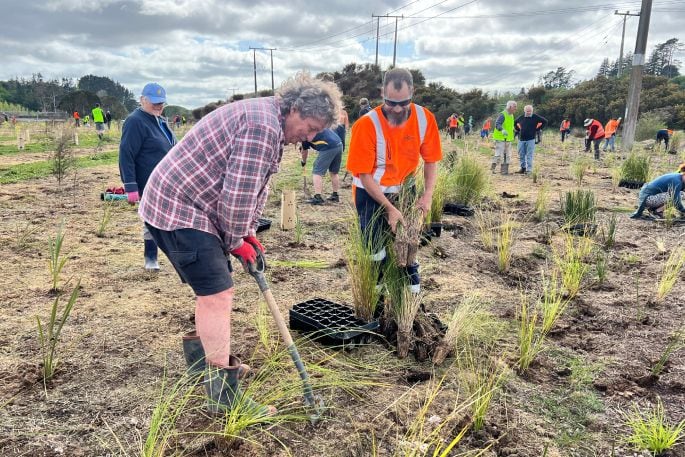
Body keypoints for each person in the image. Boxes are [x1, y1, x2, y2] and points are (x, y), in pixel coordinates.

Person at [138, 72, 341, 416]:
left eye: (315, 133)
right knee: (218, 293)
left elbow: (254, 189)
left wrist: (247, 232)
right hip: (182, 208)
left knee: (212, 290)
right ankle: (222, 395)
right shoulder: (262, 128)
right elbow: (235, 198)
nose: (307, 137)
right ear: (293, 109)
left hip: (190, 204)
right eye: (308, 127)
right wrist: (236, 240)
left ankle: (204, 367)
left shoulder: (271, 121)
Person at [346, 67, 442, 297]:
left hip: (405, 189)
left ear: (413, 92)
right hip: (370, 193)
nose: (397, 109)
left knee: (408, 245)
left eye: (404, 102)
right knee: (374, 250)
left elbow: (431, 161)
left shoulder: (424, 119)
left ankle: (411, 301)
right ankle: (376, 300)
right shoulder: (366, 125)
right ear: (381, 93)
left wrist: (427, 194)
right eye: (391, 103)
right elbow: (364, 175)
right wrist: (389, 208)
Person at [119, 83, 177, 272]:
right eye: (154, 103)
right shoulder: (135, 121)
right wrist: (130, 186)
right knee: (151, 221)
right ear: (143, 100)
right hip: (149, 183)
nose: (159, 106)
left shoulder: (159, 120)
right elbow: (126, 154)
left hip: (167, 182)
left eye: (161, 103)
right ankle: (150, 258)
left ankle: (176, 254)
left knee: (170, 219)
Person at [301, 128, 344, 204]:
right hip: (339, 144)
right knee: (334, 172)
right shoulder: (317, 125)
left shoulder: (305, 135)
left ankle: (318, 197)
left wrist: (303, 162)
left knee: (317, 171)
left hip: (328, 147)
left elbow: (304, 152)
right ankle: (335, 195)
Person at [514, 105, 547, 175]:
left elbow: (545, 121)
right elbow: (515, 122)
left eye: (530, 111)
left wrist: (538, 129)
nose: (528, 112)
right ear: (524, 111)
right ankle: (523, 168)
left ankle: (529, 170)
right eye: (527, 111)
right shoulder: (521, 117)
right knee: (521, 154)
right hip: (521, 139)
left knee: (529, 155)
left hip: (531, 139)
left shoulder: (535, 117)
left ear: (532, 111)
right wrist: (518, 129)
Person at [491, 100, 517, 174]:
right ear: (509, 107)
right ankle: (493, 169)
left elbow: (510, 125)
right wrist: (502, 129)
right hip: (500, 138)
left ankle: (504, 171)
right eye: (514, 107)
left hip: (508, 139)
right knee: (499, 155)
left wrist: (514, 130)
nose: (516, 109)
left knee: (507, 155)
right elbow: (497, 124)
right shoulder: (502, 115)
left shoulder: (511, 115)